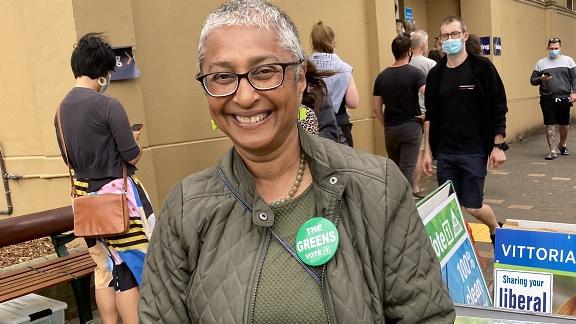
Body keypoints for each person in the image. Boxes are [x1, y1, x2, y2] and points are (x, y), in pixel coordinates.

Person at [139, 1, 455, 323]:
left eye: (264, 72)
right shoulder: (184, 210)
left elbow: (425, 314)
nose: (244, 97)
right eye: (222, 76)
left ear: (300, 78)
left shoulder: (378, 187)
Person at [55, 33, 155, 324]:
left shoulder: (60, 113)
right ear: (101, 73)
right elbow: (131, 155)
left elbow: (68, 159)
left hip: (85, 200)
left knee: (103, 268)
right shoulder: (108, 106)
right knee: (127, 270)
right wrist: (133, 140)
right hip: (116, 198)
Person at [422, 16, 508, 245]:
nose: (449, 39)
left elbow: (499, 106)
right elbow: (429, 116)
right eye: (445, 35)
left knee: (473, 205)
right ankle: (459, 247)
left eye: (454, 34)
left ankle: (494, 227)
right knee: (448, 205)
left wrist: (498, 146)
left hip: (474, 150)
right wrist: (427, 152)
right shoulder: (436, 74)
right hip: (446, 152)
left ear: (464, 36)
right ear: (439, 40)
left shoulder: (482, 68)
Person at [372, 35, 426, 196]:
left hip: (391, 129)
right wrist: (426, 115)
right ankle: (406, 205)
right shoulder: (416, 74)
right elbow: (430, 96)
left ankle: (395, 202)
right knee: (407, 169)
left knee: (395, 169)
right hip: (411, 126)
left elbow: (376, 108)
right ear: (409, 51)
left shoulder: (382, 77)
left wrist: (386, 124)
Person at [310, 21, 360, 147]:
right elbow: (353, 102)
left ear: (314, 42)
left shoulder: (305, 68)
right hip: (339, 123)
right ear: (332, 42)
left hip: (312, 124)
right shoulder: (343, 68)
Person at [530, 37, 576, 160]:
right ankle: (552, 151)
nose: (554, 50)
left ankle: (562, 145)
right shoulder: (541, 63)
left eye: (556, 48)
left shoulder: (568, 61)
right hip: (547, 98)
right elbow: (532, 81)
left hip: (564, 97)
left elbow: (574, 78)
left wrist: (574, 93)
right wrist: (541, 79)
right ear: (547, 48)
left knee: (564, 124)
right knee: (549, 124)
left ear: (560, 48)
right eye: (551, 48)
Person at [410, 30, 437, 199]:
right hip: (425, 113)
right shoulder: (431, 64)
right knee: (421, 152)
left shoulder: (404, 63)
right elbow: (435, 92)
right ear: (422, 45)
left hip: (408, 114)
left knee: (408, 155)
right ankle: (416, 187)